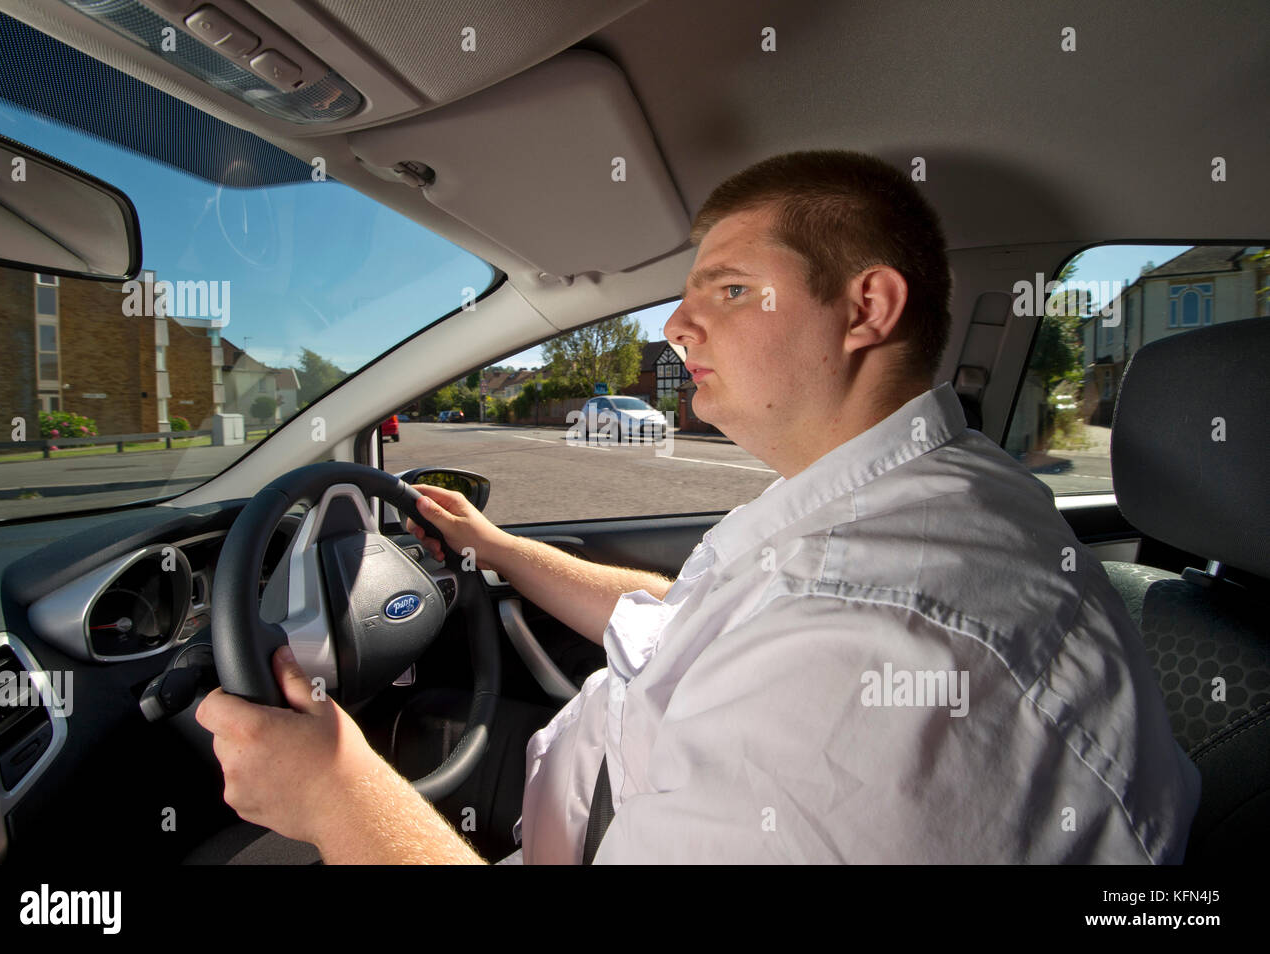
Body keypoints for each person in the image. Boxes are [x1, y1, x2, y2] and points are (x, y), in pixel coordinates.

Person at [196, 150, 1201, 863]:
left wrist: (335, 795)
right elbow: (674, 625)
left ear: (865, 308)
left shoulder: (863, 654)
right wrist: (494, 546)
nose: (675, 324)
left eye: (724, 288)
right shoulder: (899, 504)